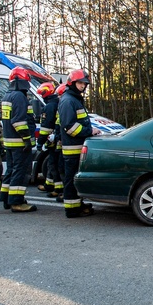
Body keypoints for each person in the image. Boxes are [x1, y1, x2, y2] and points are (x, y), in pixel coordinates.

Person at [58, 69, 99, 218]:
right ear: (72, 82)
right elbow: (69, 126)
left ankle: (77, 204)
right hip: (72, 149)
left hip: (76, 147)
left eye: (84, 83)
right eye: (80, 83)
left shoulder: (74, 99)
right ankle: (72, 209)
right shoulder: (68, 100)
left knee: (75, 179)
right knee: (71, 180)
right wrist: (89, 131)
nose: (83, 86)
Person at [0, 67, 37, 213]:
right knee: (20, 172)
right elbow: (19, 122)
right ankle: (16, 202)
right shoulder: (20, 97)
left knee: (10, 170)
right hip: (19, 142)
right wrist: (27, 139)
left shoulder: (7, 96)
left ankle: (6, 198)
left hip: (9, 142)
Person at [35, 82, 63, 198]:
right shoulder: (57, 103)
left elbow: (46, 127)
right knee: (53, 163)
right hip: (57, 138)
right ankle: (49, 184)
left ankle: (58, 188)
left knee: (53, 164)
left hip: (53, 140)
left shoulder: (49, 106)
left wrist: (40, 142)